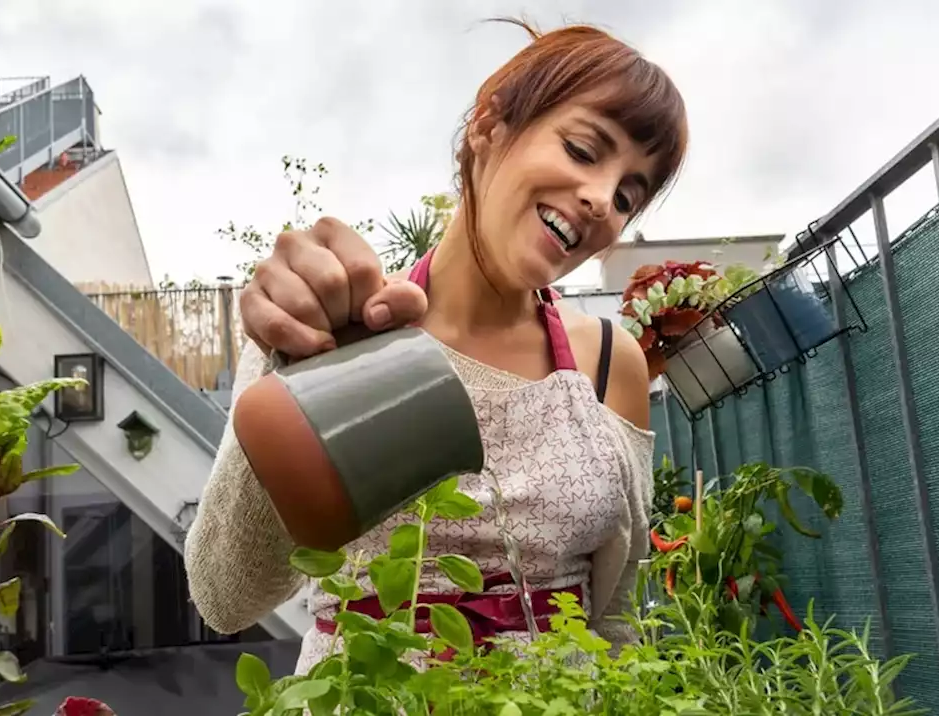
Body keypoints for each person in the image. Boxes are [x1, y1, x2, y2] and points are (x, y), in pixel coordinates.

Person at [185, 20, 688, 674]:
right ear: (489, 123)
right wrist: (301, 373)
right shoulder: (343, 331)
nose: (600, 200)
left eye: (627, 195)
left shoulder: (608, 362)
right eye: (584, 150)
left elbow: (616, 619)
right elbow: (225, 598)